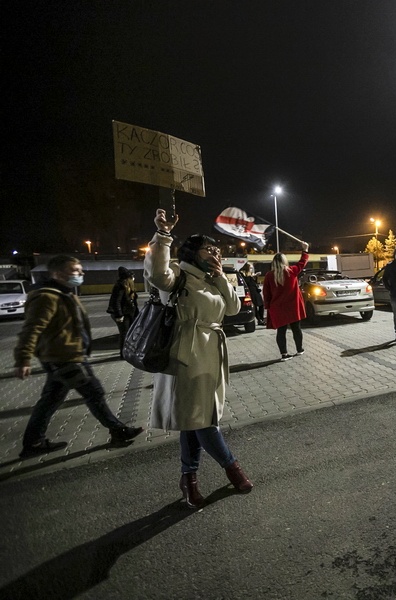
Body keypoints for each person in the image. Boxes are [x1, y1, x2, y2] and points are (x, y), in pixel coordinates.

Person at [146, 209, 253, 508]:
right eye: (209, 248)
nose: (215, 252)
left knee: (194, 419)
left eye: (218, 249)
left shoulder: (212, 278)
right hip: (187, 354)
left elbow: (231, 309)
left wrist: (221, 279)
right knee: (204, 421)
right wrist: (163, 236)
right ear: (193, 252)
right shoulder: (179, 275)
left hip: (211, 354)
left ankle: (188, 480)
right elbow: (156, 274)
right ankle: (233, 469)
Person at [14, 255, 143, 458]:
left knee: (50, 400)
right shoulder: (46, 297)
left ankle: (33, 442)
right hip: (64, 358)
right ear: (58, 273)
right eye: (76, 270)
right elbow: (31, 329)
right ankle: (118, 430)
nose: (81, 274)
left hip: (65, 356)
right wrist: (23, 359)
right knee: (94, 393)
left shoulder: (64, 294)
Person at [264, 248, 310, 361]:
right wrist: (305, 250)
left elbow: (266, 293)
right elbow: (302, 262)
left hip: (278, 308)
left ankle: (284, 354)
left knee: (281, 331)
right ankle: (300, 349)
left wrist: (268, 307)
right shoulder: (292, 271)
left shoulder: (269, 276)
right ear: (285, 261)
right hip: (292, 306)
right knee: (296, 329)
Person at [107, 266, 139, 357]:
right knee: (124, 333)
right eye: (132, 277)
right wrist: (119, 315)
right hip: (123, 315)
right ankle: (123, 353)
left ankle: (129, 351)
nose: (133, 278)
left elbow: (133, 302)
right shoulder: (120, 286)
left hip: (129, 313)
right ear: (128, 278)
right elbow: (116, 301)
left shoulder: (128, 287)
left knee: (129, 333)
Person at [240, 262, 265, 326]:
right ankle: (259, 320)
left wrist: (255, 276)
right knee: (255, 306)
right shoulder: (242, 272)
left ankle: (261, 318)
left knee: (261, 305)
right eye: (250, 268)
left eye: (252, 268)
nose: (251, 269)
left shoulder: (251, 273)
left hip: (255, 291)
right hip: (250, 291)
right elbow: (245, 281)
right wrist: (251, 276)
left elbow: (253, 282)